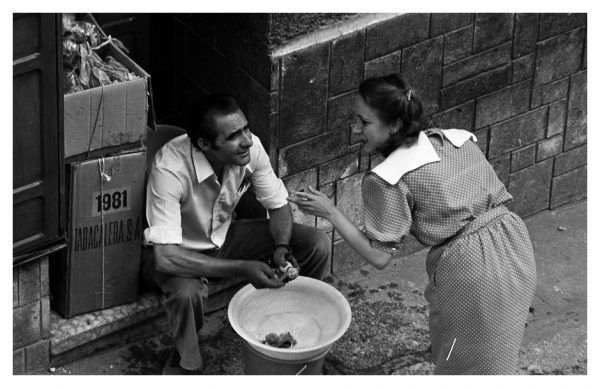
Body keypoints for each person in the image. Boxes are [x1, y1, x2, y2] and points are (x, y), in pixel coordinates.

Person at [288, 73, 537, 375]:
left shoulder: (387, 179)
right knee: (497, 355)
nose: (355, 130)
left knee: (462, 364)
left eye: (364, 123)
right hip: (514, 241)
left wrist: (330, 211)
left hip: (471, 268)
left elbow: (379, 256)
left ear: (394, 126)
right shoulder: (455, 140)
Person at [142, 93, 330, 374]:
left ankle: (297, 325)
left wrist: (281, 247)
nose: (247, 140)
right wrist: (244, 268)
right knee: (186, 293)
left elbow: (278, 207)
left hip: (224, 237)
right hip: (177, 252)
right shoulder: (169, 168)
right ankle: (187, 364)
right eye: (234, 135)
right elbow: (166, 258)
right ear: (205, 144)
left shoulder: (249, 149)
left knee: (317, 244)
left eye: (246, 128)